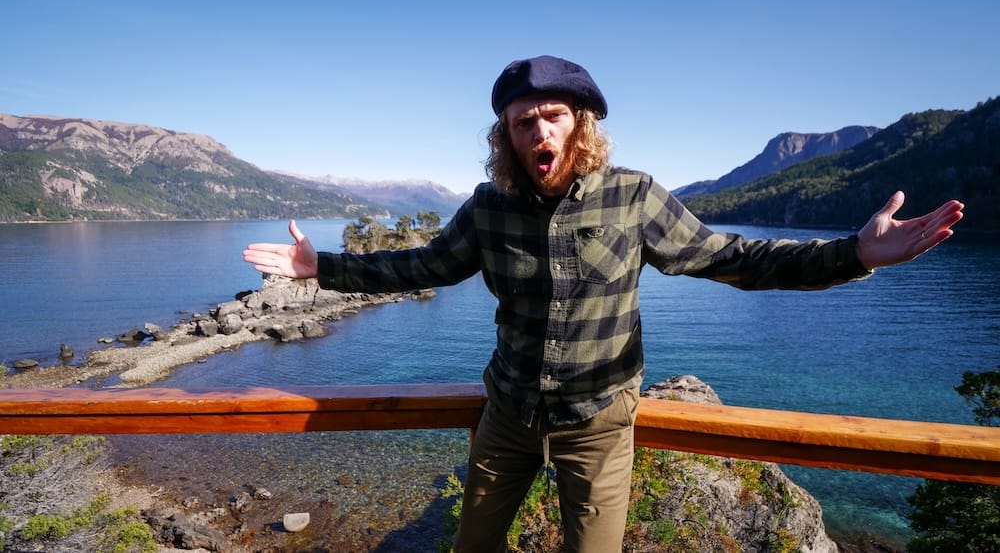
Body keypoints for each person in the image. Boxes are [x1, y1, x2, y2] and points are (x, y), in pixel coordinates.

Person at [243, 55, 964, 552]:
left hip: (598, 425)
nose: (539, 132)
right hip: (507, 417)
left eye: (552, 116)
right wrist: (321, 266)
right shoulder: (488, 209)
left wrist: (857, 253)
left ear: (580, 125)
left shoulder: (634, 197)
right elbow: (418, 265)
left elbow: (734, 258)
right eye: (523, 122)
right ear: (507, 136)